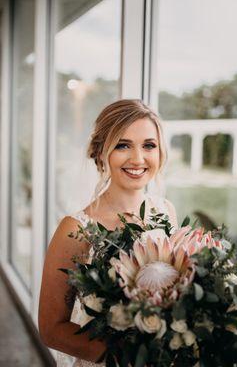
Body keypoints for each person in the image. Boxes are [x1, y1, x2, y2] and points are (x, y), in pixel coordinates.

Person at [38, 99, 179, 366]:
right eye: (123, 145)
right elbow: (51, 329)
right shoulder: (77, 230)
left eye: (149, 145)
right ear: (102, 151)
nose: (138, 159)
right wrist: (125, 357)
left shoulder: (166, 211)